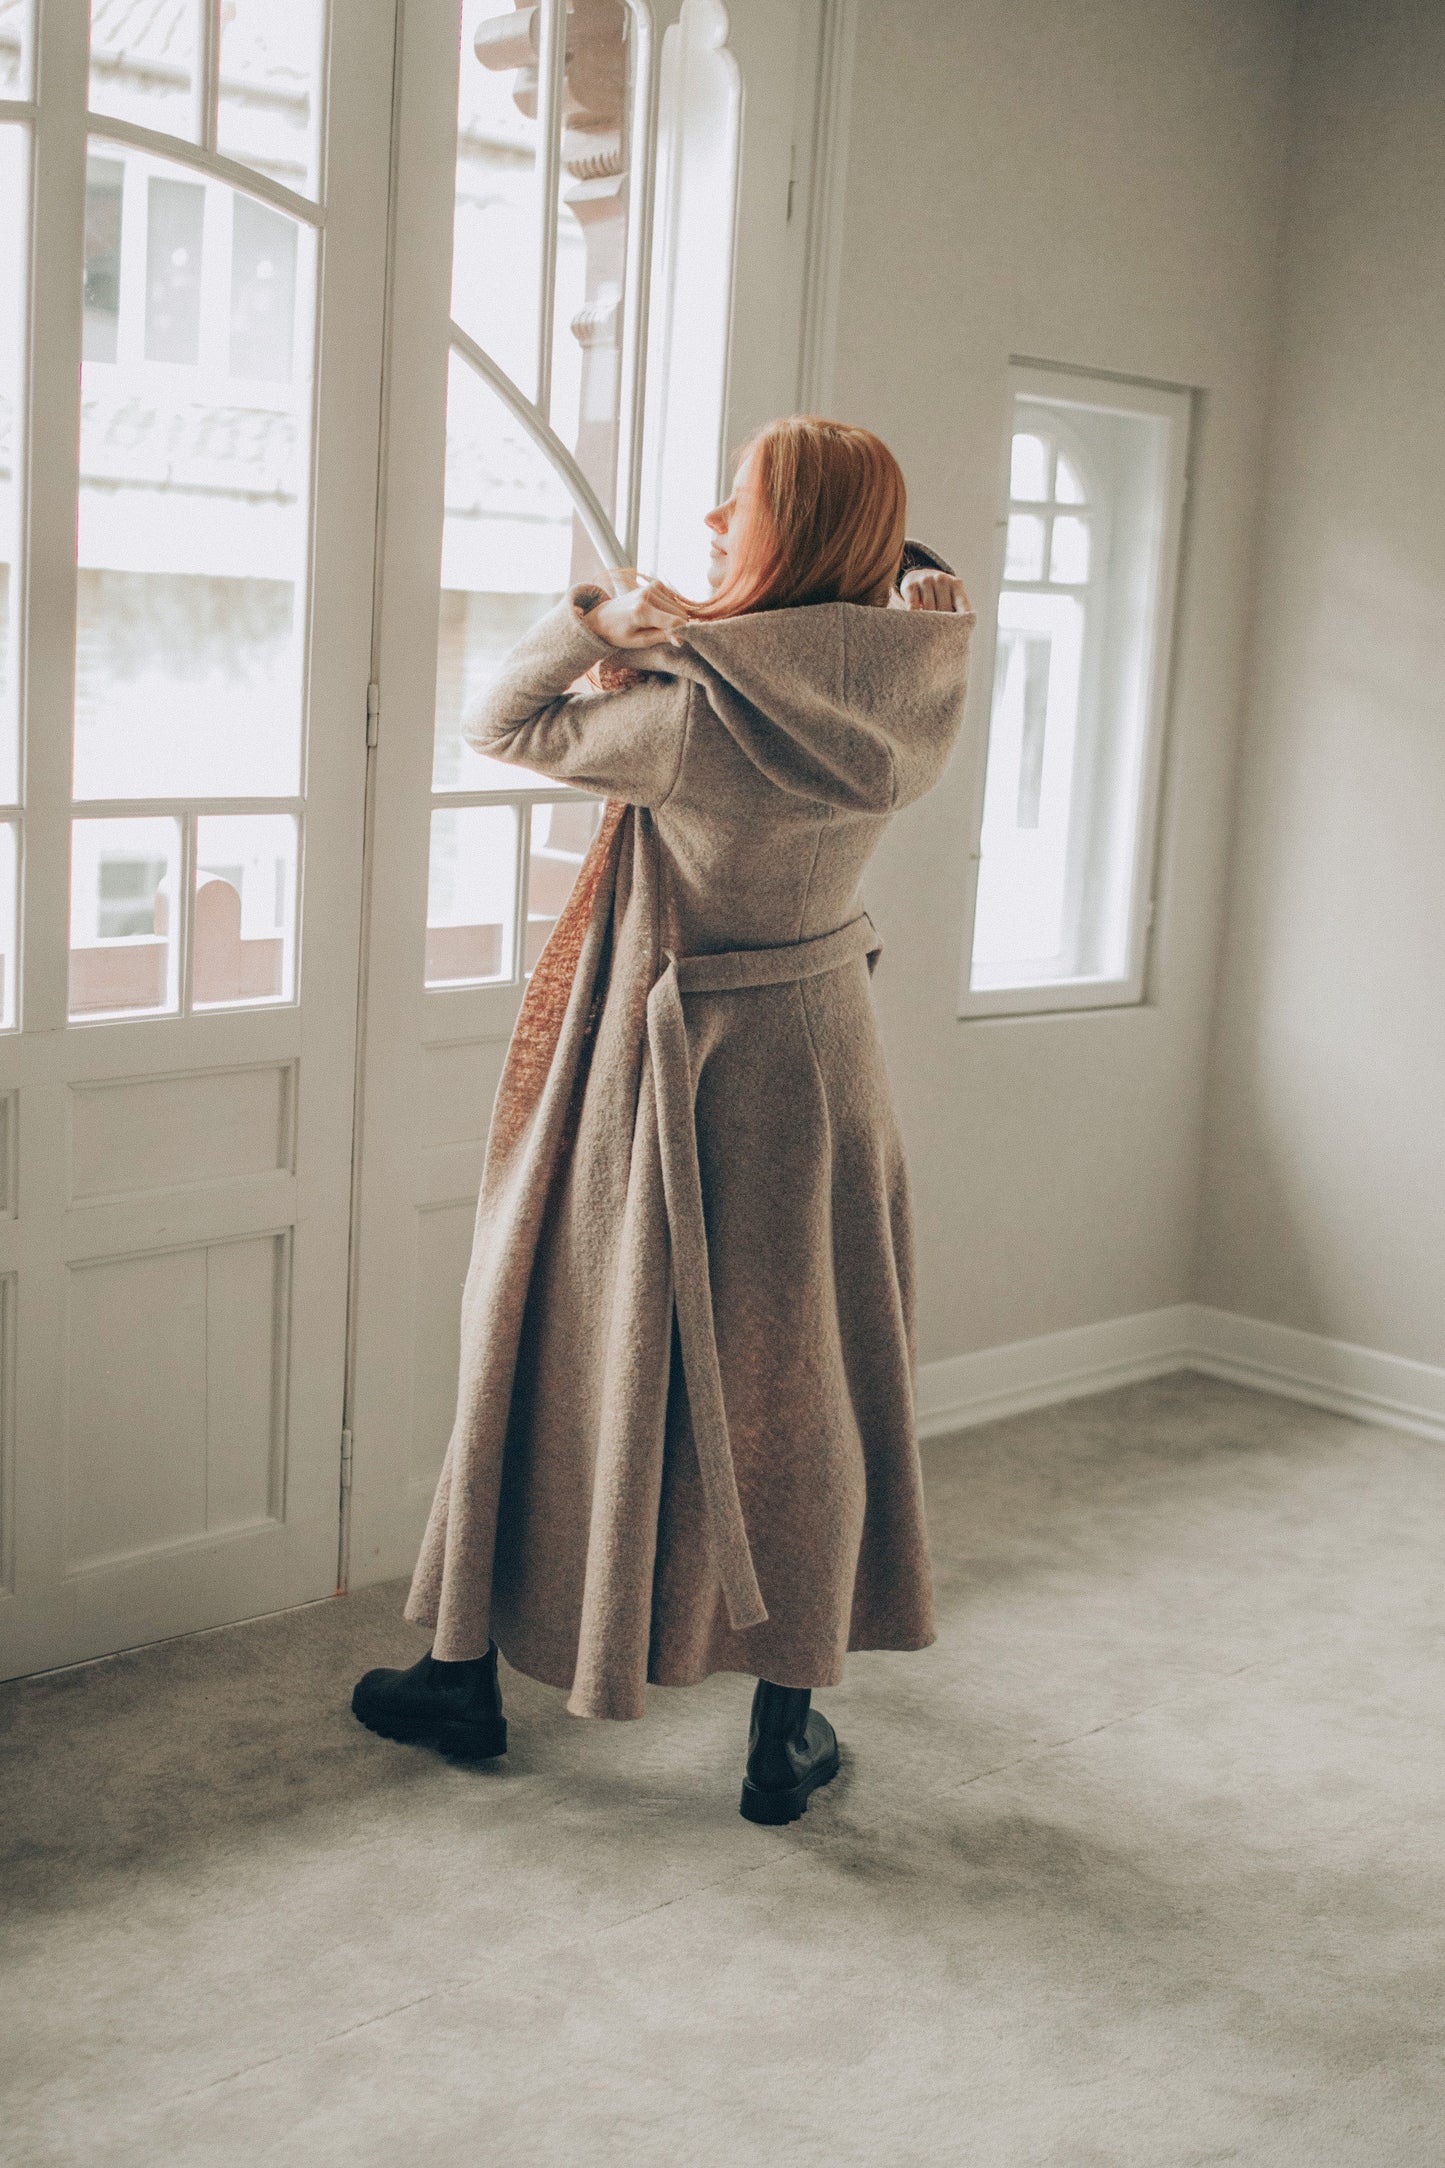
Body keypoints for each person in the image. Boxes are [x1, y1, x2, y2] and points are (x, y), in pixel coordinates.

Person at [353, 417, 976, 1823]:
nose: (708, 517)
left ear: (795, 527)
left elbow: (497, 722)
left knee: (550, 1334)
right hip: (820, 1056)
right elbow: (895, 625)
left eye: (739, 501)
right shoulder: (915, 687)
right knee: (804, 1371)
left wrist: (598, 616)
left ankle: (462, 1676)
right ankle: (784, 1724)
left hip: (667, 1060)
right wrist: (920, 607)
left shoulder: (697, 712)